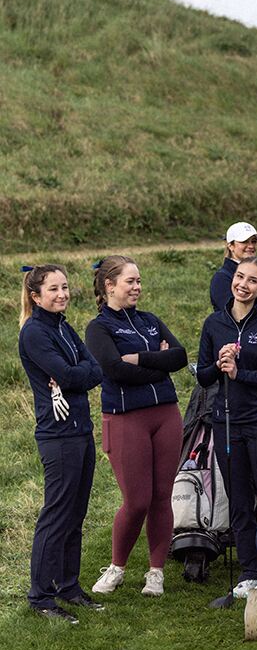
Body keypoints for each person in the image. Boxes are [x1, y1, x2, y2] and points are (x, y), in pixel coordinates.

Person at [86, 256, 187, 597]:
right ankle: (117, 567)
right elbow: (113, 370)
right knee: (137, 500)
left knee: (162, 496)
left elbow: (180, 356)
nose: (138, 287)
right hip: (126, 418)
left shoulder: (150, 320)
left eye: (139, 281)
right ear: (109, 285)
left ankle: (155, 572)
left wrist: (142, 359)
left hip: (166, 415)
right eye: (130, 281)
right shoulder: (98, 328)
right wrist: (160, 365)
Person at [197, 256, 257, 598]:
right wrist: (219, 365)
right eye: (240, 277)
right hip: (226, 421)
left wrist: (240, 373)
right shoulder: (214, 323)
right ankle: (249, 569)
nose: (243, 284)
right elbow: (203, 375)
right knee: (237, 498)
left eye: (253, 280)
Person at [19, 264, 103, 624]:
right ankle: (40, 597)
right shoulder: (35, 333)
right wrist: (74, 376)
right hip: (58, 436)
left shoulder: (63, 326)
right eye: (53, 289)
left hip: (81, 430)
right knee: (56, 515)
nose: (62, 294)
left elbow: (94, 369)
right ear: (36, 296)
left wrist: (74, 376)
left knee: (75, 514)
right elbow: (72, 374)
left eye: (65, 287)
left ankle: (68, 586)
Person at [210, 221, 257, 320]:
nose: (251, 246)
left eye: (254, 241)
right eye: (244, 241)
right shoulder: (221, 278)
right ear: (230, 246)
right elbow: (236, 317)